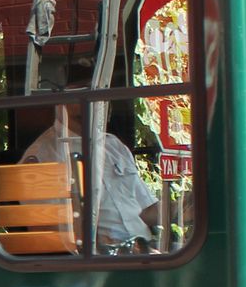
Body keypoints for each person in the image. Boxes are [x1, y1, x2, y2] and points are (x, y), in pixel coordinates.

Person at [20, 99, 171, 251]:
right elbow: (42, 227)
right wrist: (98, 243)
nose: (97, 101)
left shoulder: (113, 145)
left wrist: (180, 209)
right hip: (98, 257)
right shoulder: (42, 155)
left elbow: (145, 212)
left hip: (143, 247)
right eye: (83, 94)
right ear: (60, 103)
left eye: (102, 95)